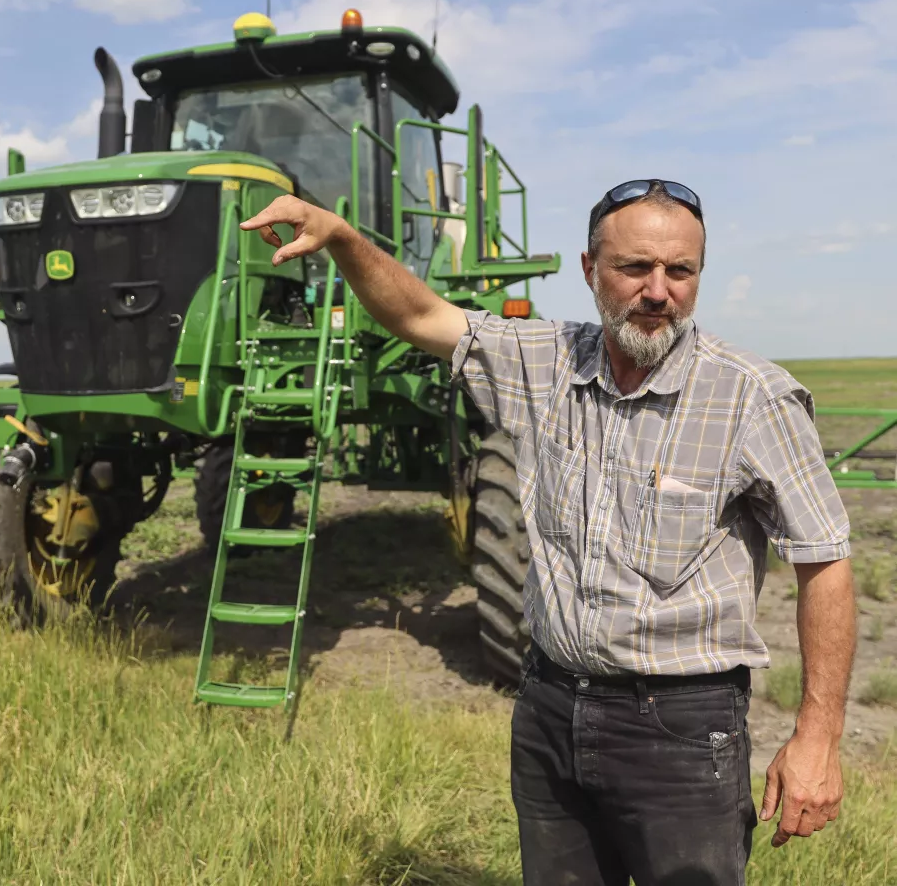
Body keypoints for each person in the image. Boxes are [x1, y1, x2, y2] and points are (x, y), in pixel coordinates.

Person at [241, 180, 857, 886]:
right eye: (634, 268)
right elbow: (420, 316)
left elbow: (826, 565)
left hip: (681, 730)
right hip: (549, 710)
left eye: (680, 271)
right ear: (590, 268)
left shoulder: (753, 397)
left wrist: (819, 736)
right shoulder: (542, 361)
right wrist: (345, 239)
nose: (659, 291)